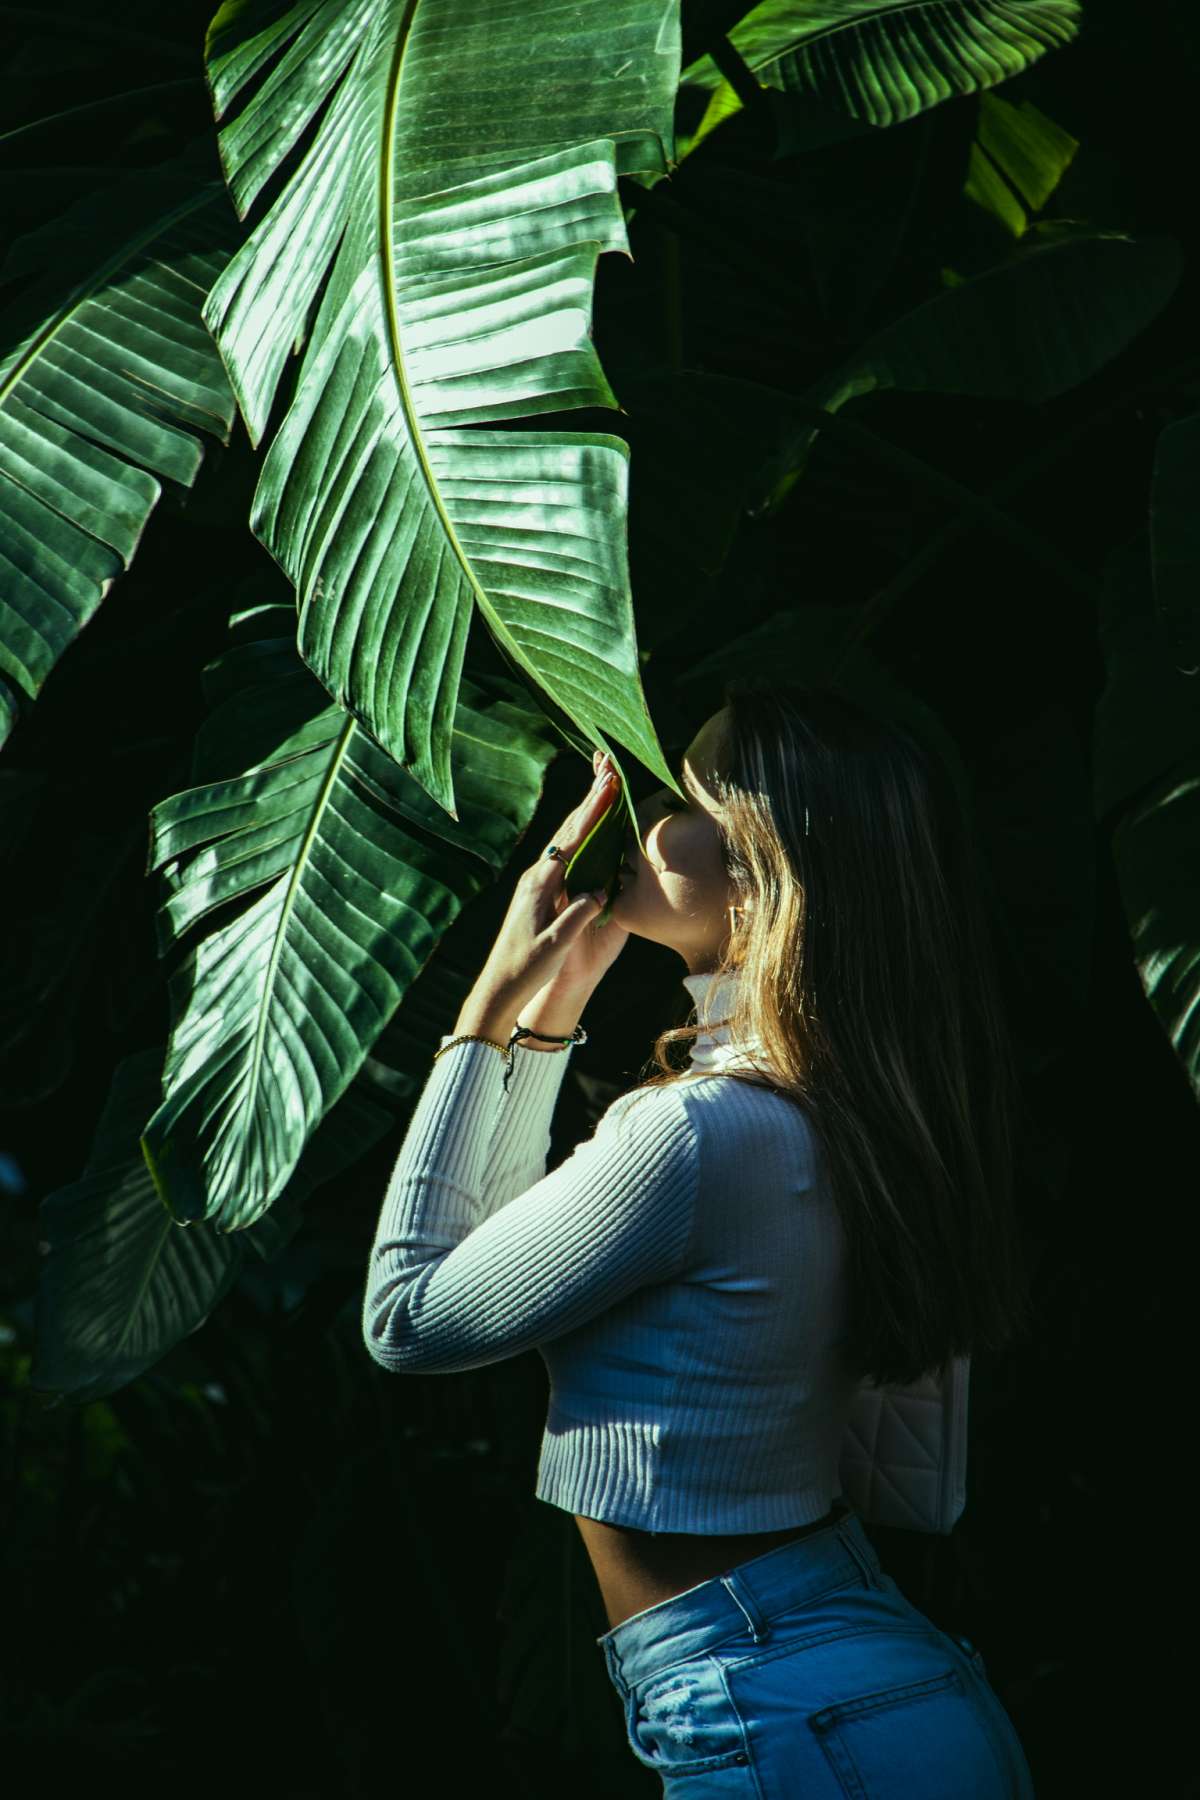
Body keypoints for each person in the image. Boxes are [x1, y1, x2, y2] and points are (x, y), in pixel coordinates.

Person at [362, 680, 1037, 1795]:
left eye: (679, 795)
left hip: (781, 1708)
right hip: (855, 1679)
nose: (636, 817)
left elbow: (410, 1318)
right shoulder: (850, 1111)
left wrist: (493, 1012)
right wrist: (552, 1016)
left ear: (760, 869)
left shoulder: (702, 1133)